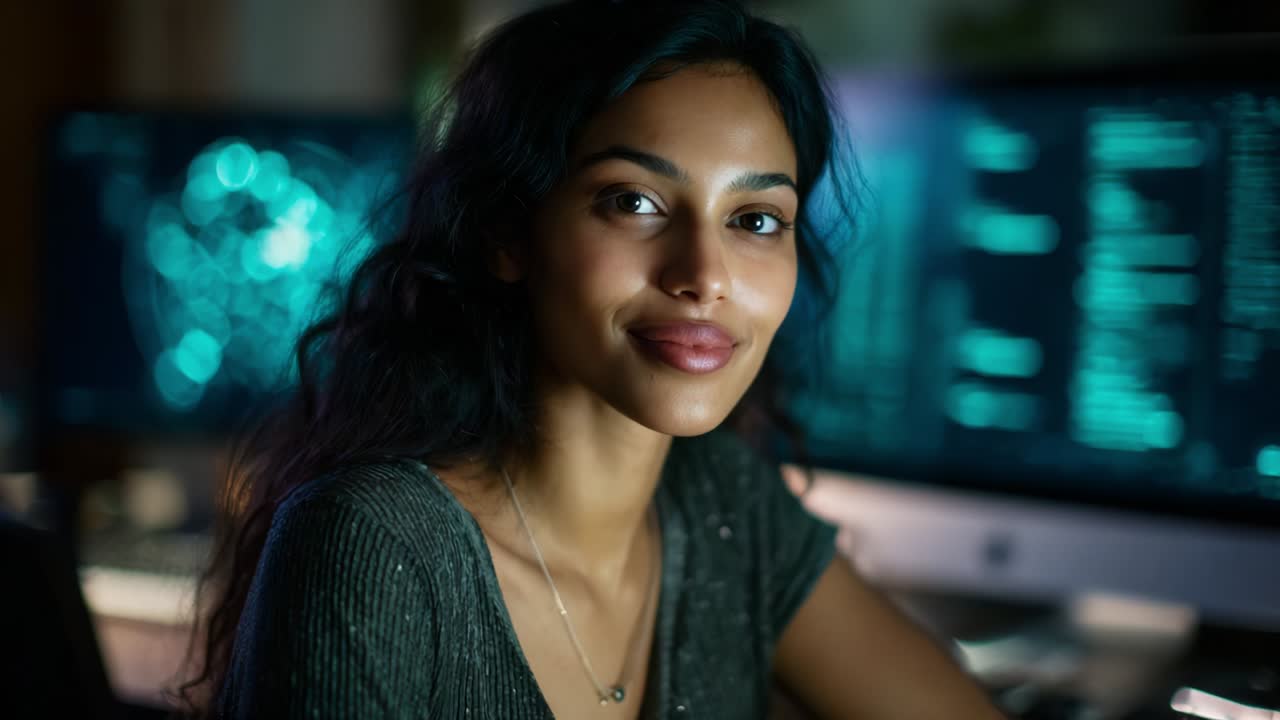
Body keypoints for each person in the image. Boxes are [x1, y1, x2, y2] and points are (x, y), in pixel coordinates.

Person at [179, 0, 1005, 717]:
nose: (704, 277)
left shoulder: (723, 507)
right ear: (511, 232)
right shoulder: (373, 545)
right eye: (634, 201)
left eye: (756, 220)